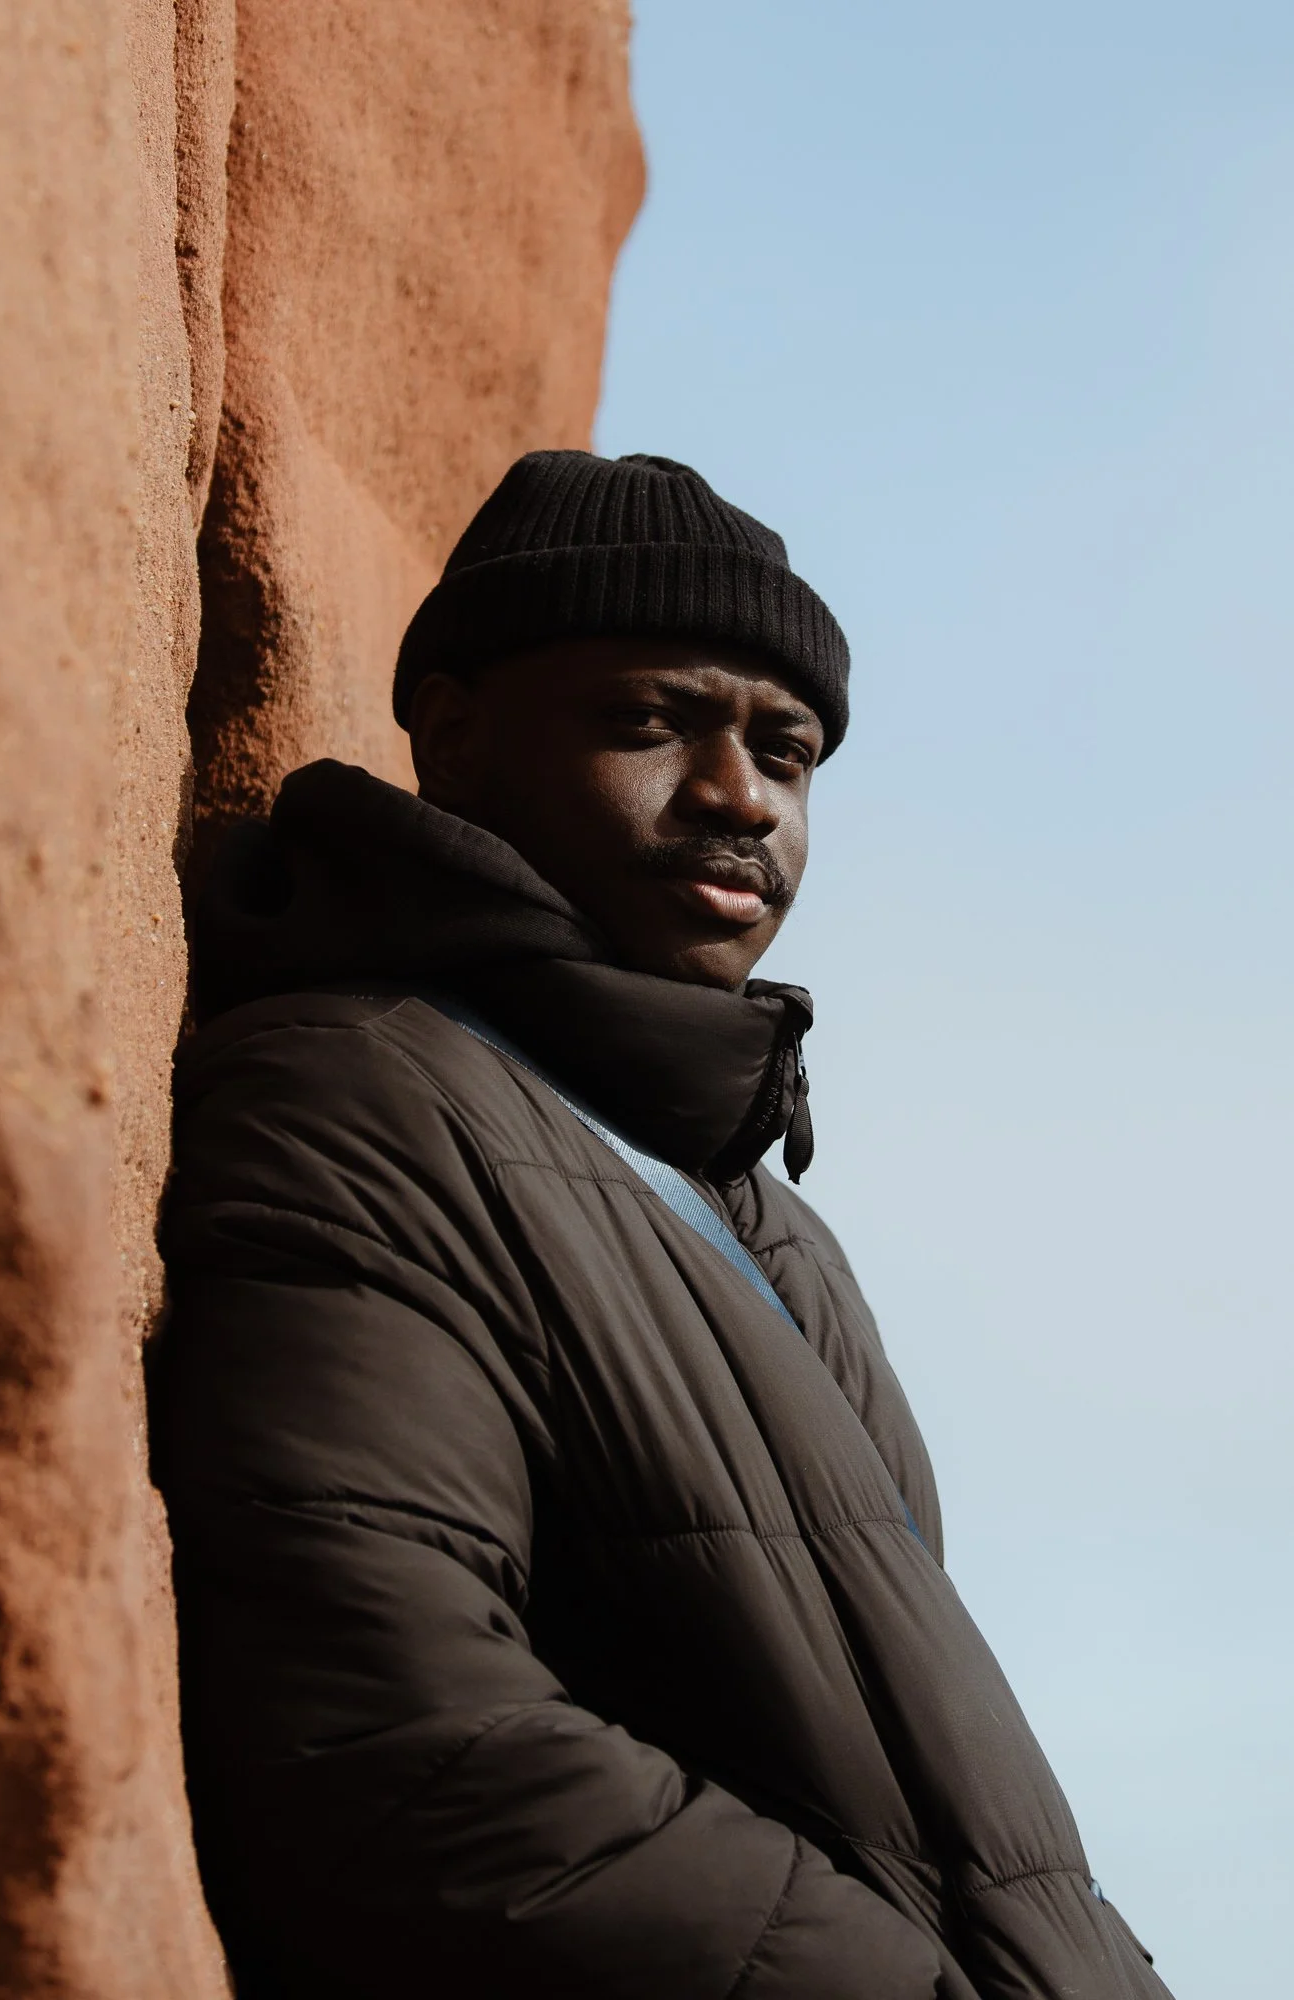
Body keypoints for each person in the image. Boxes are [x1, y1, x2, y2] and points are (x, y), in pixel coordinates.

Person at [153, 450, 1171, 2000]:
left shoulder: (764, 1221)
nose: (739, 797)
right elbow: (389, 1742)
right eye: (650, 722)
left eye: (790, 750)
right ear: (455, 735)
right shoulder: (356, 1096)